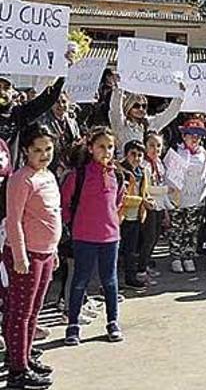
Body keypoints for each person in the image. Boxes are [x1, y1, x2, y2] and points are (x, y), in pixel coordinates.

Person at [3, 125, 61, 388]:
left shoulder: (47, 175)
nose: (43, 154)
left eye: (47, 149)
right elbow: (14, 220)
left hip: (46, 252)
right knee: (20, 313)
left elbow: (53, 214)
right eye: (37, 150)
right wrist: (19, 256)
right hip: (26, 255)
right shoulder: (20, 179)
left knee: (34, 310)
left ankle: (25, 355)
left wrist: (55, 249)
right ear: (26, 150)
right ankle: (17, 370)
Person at [62, 127, 126, 346]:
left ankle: (112, 322)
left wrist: (112, 222)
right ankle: (72, 324)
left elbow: (118, 202)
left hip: (110, 238)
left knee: (110, 281)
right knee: (80, 280)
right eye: (101, 146)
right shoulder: (78, 175)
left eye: (110, 147)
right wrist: (73, 224)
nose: (106, 151)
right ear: (90, 148)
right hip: (84, 237)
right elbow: (65, 204)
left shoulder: (117, 174)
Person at [167, 118, 206, 274]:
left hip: (196, 200)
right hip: (178, 200)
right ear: (184, 136)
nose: (194, 138)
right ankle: (176, 257)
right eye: (191, 134)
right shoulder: (176, 152)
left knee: (192, 230)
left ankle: (188, 256)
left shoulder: (205, 155)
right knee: (177, 229)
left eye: (198, 135)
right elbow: (167, 175)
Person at [109, 84, 184, 159]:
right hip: (124, 165)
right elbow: (115, 109)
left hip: (144, 167)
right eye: (136, 106)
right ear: (128, 106)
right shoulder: (121, 125)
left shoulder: (149, 124)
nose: (141, 109)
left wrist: (180, 94)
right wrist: (118, 87)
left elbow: (169, 114)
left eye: (144, 106)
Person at [118, 140, 154, 290]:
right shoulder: (120, 172)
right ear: (126, 154)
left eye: (140, 155)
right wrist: (141, 201)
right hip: (121, 216)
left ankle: (130, 277)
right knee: (117, 251)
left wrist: (147, 200)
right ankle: (111, 282)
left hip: (136, 216)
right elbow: (120, 197)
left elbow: (144, 192)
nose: (137, 158)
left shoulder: (142, 172)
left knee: (131, 250)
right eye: (133, 154)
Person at [140, 131, 170, 284]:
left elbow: (161, 182)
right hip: (149, 205)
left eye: (158, 145)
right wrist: (166, 190)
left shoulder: (159, 163)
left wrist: (166, 209)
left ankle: (146, 264)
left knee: (156, 237)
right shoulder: (144, 164)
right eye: (151, 145)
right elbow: (147, 188)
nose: (155, 149)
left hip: (159, 206)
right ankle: (141, 269)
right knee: (148, 238)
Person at [35, 91, 80, 176]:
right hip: (52, 164)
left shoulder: (72, 121)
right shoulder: (43, 121)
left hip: (71, 164)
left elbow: (77, 138)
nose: (61, 105)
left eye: (64, 102)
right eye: (57, 102)